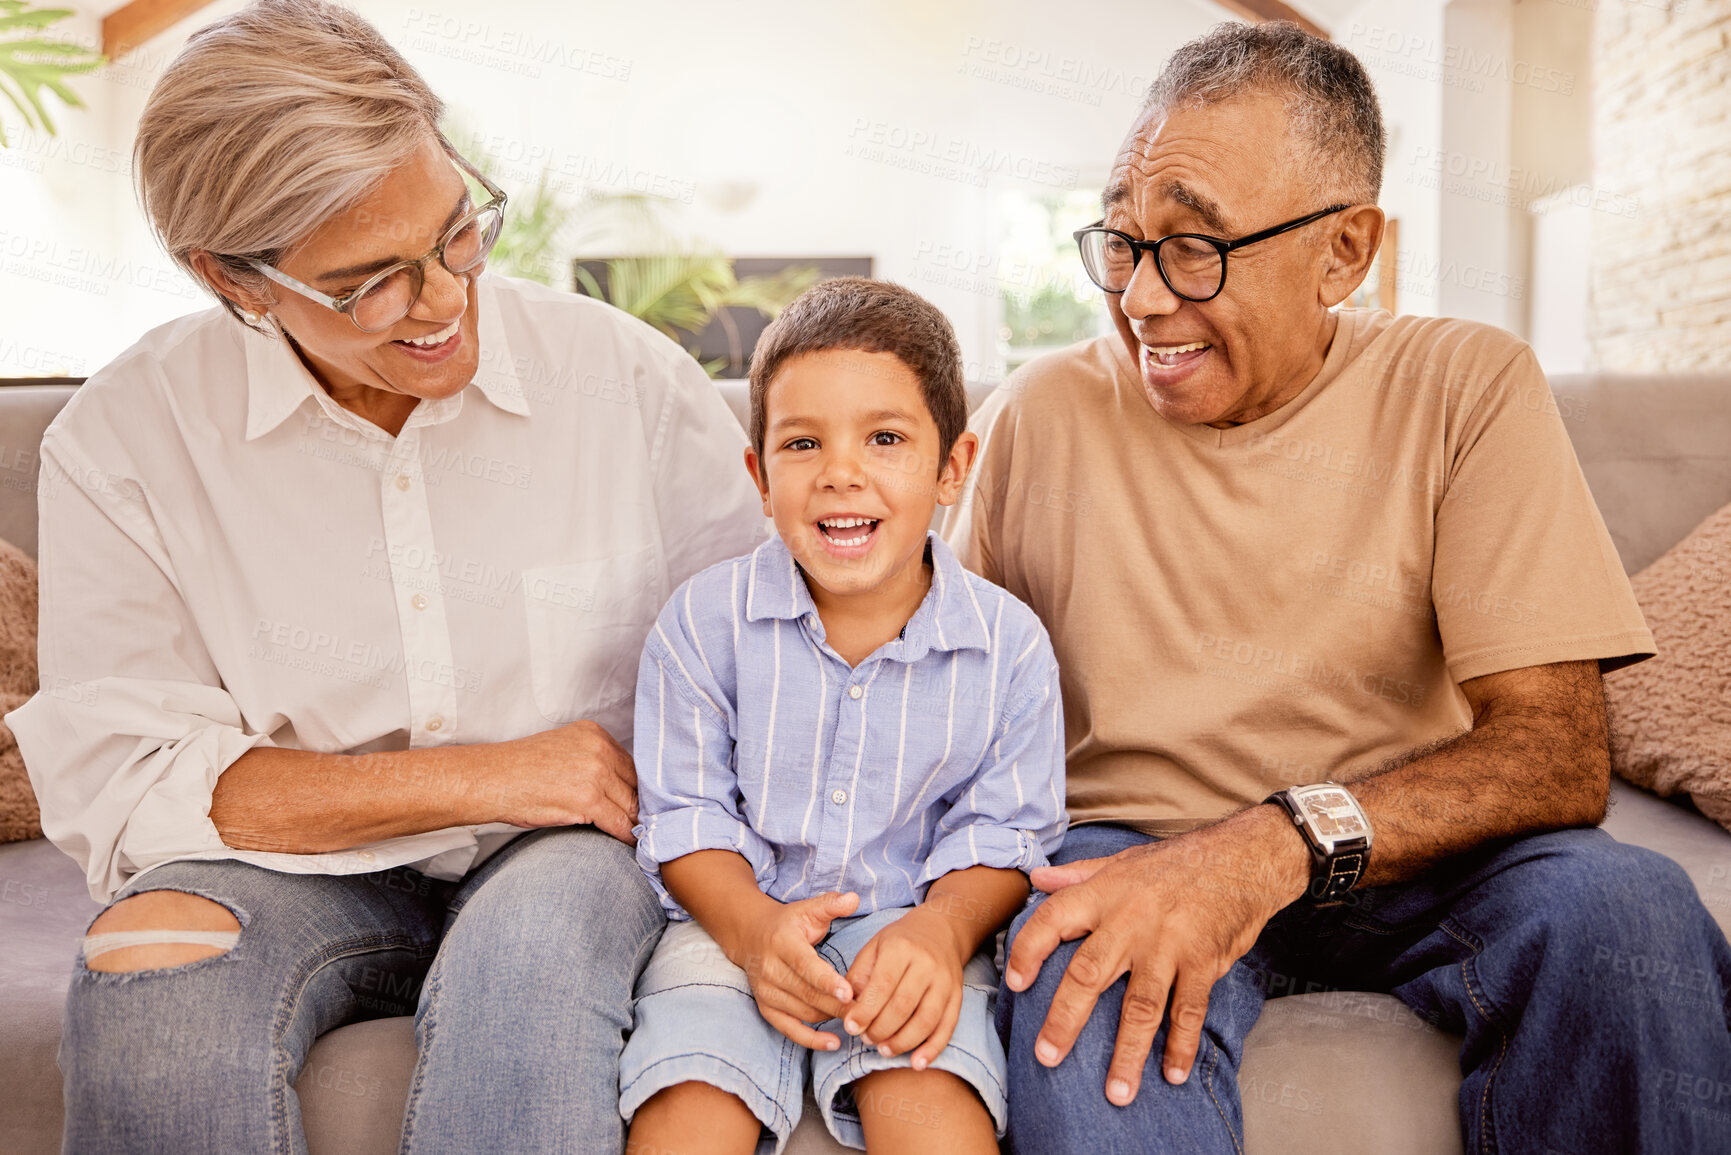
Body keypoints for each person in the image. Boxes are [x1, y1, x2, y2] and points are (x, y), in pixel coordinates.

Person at [944, 20, 1731, 1155]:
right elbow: (937, 692)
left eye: (1195, 246)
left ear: (1345, 251)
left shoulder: (1466, 386)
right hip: (1135, 843)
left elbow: (1559, 751)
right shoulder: (1040, 415)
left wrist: (1269, 846)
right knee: (1084, 973)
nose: (1144, 301)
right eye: (1123, 241)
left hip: (1425, 853)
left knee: (1625, 916)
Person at [5, 1, 766, 1150]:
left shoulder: (628, 385)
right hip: (281, 868)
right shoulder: (126, 440)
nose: (448, 298)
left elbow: (771, 667)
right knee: (149, 965)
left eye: (459, 232)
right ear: (232, 278)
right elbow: (125, 786)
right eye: (370, 281)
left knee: (533, 965)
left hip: (564, 860)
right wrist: (485, 776)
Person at [618, 278, 1066, 1154]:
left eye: (886, 439)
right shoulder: (702, 624)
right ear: (759, 474)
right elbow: (685, 813)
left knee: (934, 1125)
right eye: (802, 442)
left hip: (913, 928)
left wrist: (939, 932)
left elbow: (1005, 833)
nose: (840, 472)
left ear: (951, 468)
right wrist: (753, 932)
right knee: (686, 1122)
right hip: (730, 923)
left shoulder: (1007, 644)